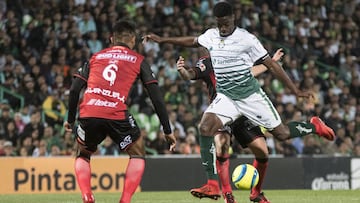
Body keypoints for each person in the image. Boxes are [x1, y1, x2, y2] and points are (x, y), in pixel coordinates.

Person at [142, 1, 335, 203]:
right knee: (205, 127)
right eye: (219, 23)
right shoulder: (211, 35)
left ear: (233, 18)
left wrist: (296, 91)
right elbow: (191, 41)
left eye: (225, 23)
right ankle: (212, 185)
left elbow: (271, 65)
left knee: (282, 134)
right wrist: (163, 40)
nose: (223, 27)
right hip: (226, 97)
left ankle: (313, 126)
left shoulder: (247, 39)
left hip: (250, 96)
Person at [64, 20, 176, 203]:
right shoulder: (138, 60)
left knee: (83, 154)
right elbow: (156, 97)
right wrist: (167, 130)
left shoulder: (95, 57)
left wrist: (70, 119)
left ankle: (87, 196)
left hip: (89, 111)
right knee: (138, 153)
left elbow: (75, 89)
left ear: (111, 39)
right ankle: (124, 200)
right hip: (117, 113)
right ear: (132, 39)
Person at [176, 47, 283, 203]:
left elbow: (250, 72)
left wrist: (271, 62)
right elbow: (190, 74)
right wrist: (182, 71)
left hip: (241, 110)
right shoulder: (207, 62)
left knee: (262, 150)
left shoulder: (235, 59)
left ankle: (256, 193)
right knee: (222, 144)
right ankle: (228, 195)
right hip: (221, 112)